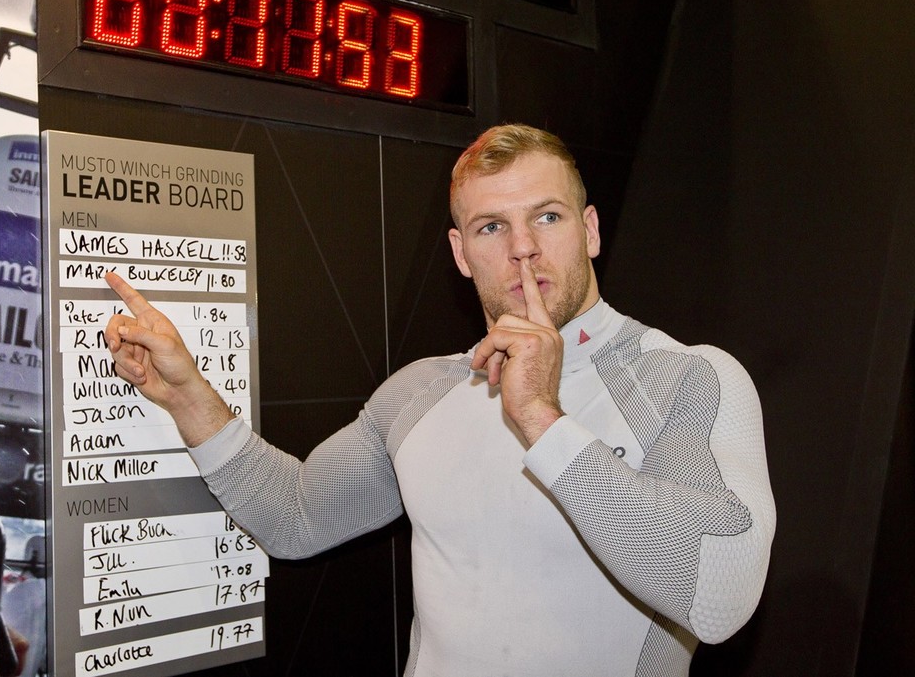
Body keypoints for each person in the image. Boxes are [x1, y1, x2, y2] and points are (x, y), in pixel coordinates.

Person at [105, 123, 776, 677]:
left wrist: (542, 416)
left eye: (547, 215)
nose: (522, 249)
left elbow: (719, 594)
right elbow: (296, 515)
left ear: (591, 230)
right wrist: (185, 391)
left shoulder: (686, 378)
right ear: (460, 253)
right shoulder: (421, 393)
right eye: (490, 227)